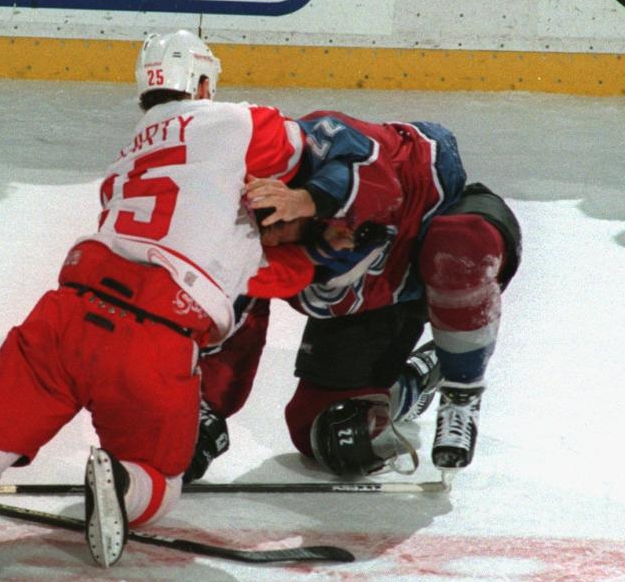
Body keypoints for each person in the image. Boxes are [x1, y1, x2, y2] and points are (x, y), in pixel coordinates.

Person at [0, 30, 313, 574]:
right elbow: (320, 151)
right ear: (202, 82)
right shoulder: (241, 123)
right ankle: (122, 484)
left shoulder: (127, 158)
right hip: (155, 335)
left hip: (66, 313)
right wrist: (308, 207)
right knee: (162, 478)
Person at [186, 110, 522, 481]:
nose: (270, 230)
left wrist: (308, 199)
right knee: (328, 433)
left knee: (460, 243)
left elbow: (381, 182)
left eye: (270, 211)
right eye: (259, 226)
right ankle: (417, 377)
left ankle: (461, 393)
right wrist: (204, 410)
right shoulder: (251, 254)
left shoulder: (311, 142)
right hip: (386, 301)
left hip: (443, 224)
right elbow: (236, 324)